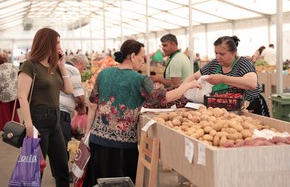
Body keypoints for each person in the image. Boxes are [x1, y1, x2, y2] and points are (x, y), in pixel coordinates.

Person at [83, 39, 201, 187]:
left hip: (97, 140)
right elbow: (165, 98)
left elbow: (93, 104)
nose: (143, 60)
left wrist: (88, 133)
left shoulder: (104, 73)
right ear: (132, 56)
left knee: (99, 181)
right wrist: (188, 85)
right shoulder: (140, 80)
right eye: (142, 56)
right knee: (121, 182)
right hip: (122, 146)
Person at [18, 27, 73, 187]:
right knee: (36, 171)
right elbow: (22, 96)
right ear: (47, 43)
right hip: (38, 121)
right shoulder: (30, 66)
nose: (59, 46)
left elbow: (68, 90)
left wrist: (62, 65)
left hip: (55, 121)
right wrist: (29, 125)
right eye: (57, 42)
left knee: (62, 168)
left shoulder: (53, 66)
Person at [184, 35, 270, 117]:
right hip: (225, 110)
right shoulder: (215, 64)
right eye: (216, 53)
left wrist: (223, 79)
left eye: (222, 54)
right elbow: (195, 76)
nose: (217, 57)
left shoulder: (243, 63)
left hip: (250, 108)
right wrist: (184, 87)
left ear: (233, 53)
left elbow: (252, 83)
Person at [51, 53, 89, 182]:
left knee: (55, 146)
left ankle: (57, 173)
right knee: (63, 145)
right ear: (79, 64)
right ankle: (62, 176)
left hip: (51, 109)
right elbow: (78, 95)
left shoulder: (56, 67)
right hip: (62, 112)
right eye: (84, 68)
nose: (83, 71)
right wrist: (82, 108)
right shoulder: (73, 70)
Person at [0, 51, 20, 131]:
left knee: (4, 114)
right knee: (13, 113)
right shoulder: (13, 66)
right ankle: (14, 128)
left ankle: (6, 129)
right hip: (14, 94)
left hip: (4, 95)